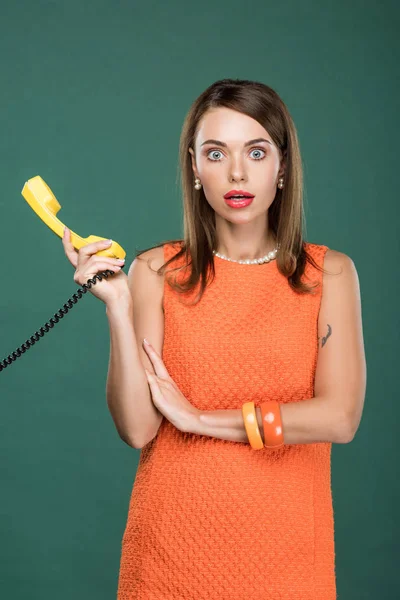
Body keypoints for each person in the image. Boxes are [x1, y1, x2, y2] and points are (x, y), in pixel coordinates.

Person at [62, 78, 366, 600]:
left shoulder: (329, 274)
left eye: (256, 150)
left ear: (283, 165)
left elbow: (339, 417)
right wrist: (118, 307)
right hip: (167, 558)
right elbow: (137, 429)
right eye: (215, 152)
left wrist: (201, 420)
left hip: (288, 561)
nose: (237, 172)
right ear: (195, 168)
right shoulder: (155, 270)